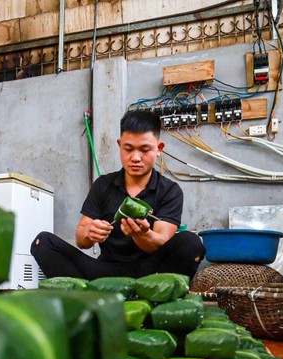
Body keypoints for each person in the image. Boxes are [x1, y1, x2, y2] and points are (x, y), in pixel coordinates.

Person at [31, 109, 206, 282]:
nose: (136, 157)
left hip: (151, 273)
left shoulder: (170, 190)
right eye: (128, 149)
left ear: (159, 148)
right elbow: (81, 240)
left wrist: (140, 234)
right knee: (43, 243)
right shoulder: (102, 185)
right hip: (105, 271)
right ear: (119, 145)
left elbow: (160, 243)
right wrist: (89, 233)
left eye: (145, 150)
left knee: (191, 243)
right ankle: (87, 299)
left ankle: (154, 296)